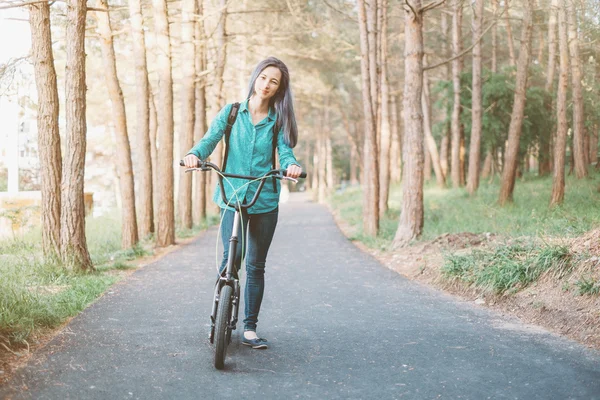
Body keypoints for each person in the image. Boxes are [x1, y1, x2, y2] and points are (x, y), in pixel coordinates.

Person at [182, 57, 303, 349]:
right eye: (264, 78)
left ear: (279, 89)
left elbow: (285, 153)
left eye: (274, 82)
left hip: (264, 198)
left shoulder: (278, 120)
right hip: (232, 195)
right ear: (255, 78)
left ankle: (250, 328)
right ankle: (219, 317)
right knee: (230, 261)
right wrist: (195, 155)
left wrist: (291, 166)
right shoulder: (233, 112)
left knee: (255, 265)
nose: (266, 84)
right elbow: (209, 139)